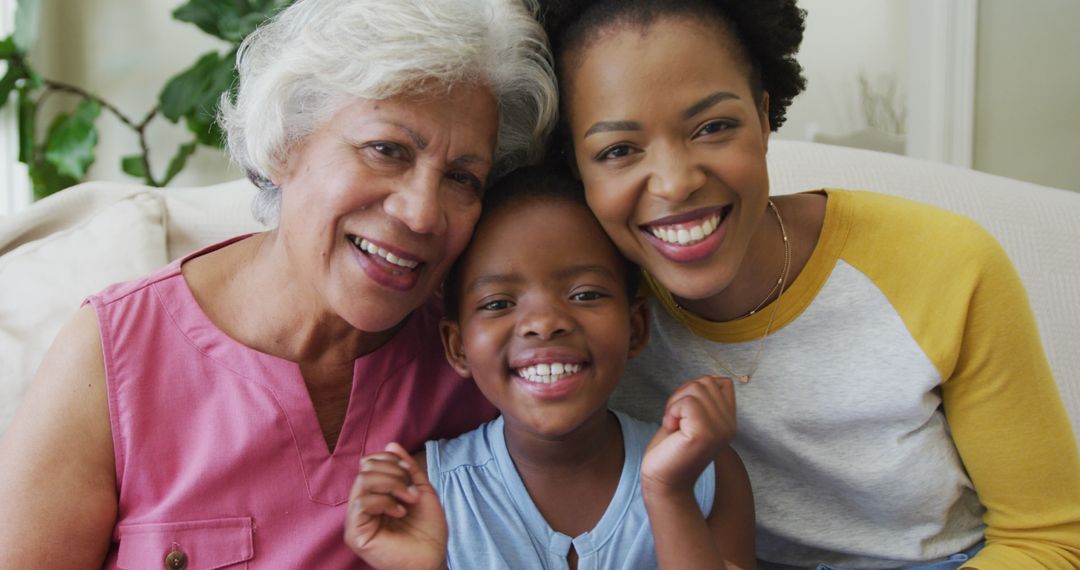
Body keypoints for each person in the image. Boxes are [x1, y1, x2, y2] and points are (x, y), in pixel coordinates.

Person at [0, 0, 557, 567]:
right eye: (386, 150)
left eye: (462, 177)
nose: (421, 213)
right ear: (285, 142)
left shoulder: (487, 359)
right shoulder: (112, 355)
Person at [538, 0, 1080, 569]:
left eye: (714, 127)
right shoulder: (582, 312)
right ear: (577, 168)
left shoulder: (946, 267)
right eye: (618, 151)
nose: (675, 183)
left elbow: (1049, 539)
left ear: (765, 118)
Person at [344, 166, 757, 569]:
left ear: (636, 328)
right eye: (498, 303)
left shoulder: (704, 473)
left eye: (586, 294)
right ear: (458, 347)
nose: (544, 323)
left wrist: (670, 495)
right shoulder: (425, 493)